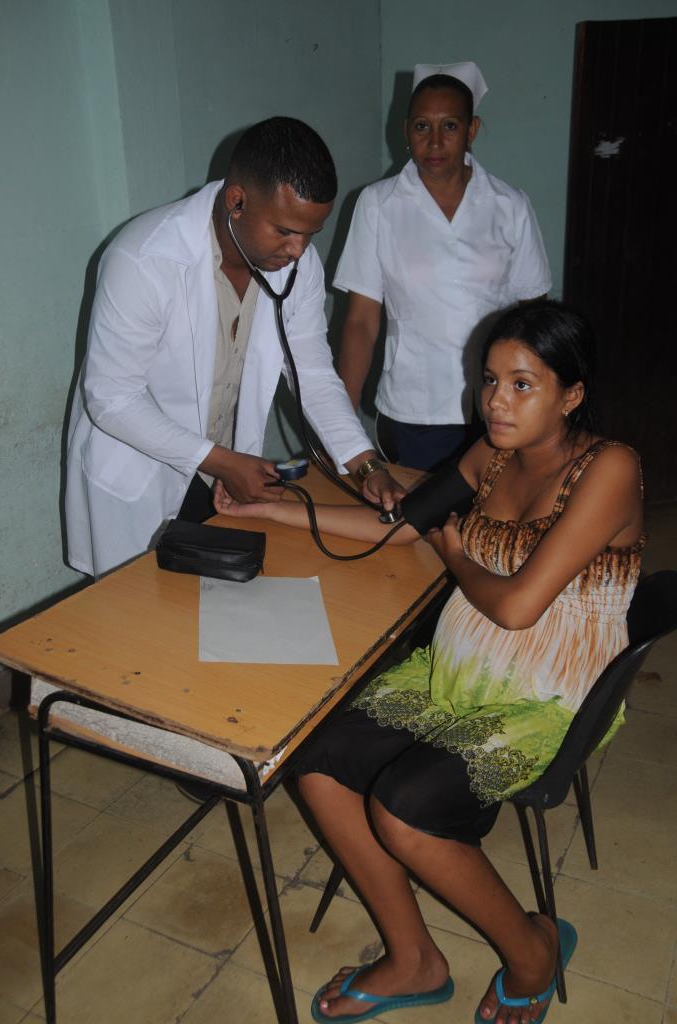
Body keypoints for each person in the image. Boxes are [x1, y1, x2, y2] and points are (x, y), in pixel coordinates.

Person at [214, 300, 644, 1023]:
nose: (496, 402)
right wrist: (272, 511)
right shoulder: (491, 453)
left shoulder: (610, 468)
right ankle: (415, 958)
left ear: (571, 395)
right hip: (461, 668)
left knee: (404, 809)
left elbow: (515, 607)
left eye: (521, 384)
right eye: (489, 380)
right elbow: (396, 527)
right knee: (315, 759)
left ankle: (533, 952)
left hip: (549, 695)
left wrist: (452, 552)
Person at [65, 117, 404, 577]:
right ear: (236, 201)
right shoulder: (143, 260)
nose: (299, 251)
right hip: (141, 467)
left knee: (211, 607)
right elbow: (110, 398)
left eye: (310, 234)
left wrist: (367, 466)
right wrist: (222, 462)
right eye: (285, 231)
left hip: (220, 470)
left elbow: (313, 373)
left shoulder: (294, 266)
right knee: (138, 611)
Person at [335, 61, 552, 471]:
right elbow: (361, 323)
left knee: (492, 526)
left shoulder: (510, 205)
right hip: (414, 410)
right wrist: (341, 427)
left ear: (472, 130)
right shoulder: (378, 205)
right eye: (422, 127)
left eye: (449, 126)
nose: (435, 142)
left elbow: (534, 317)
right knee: (421, 524)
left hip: (500, 410)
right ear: (405, 131)